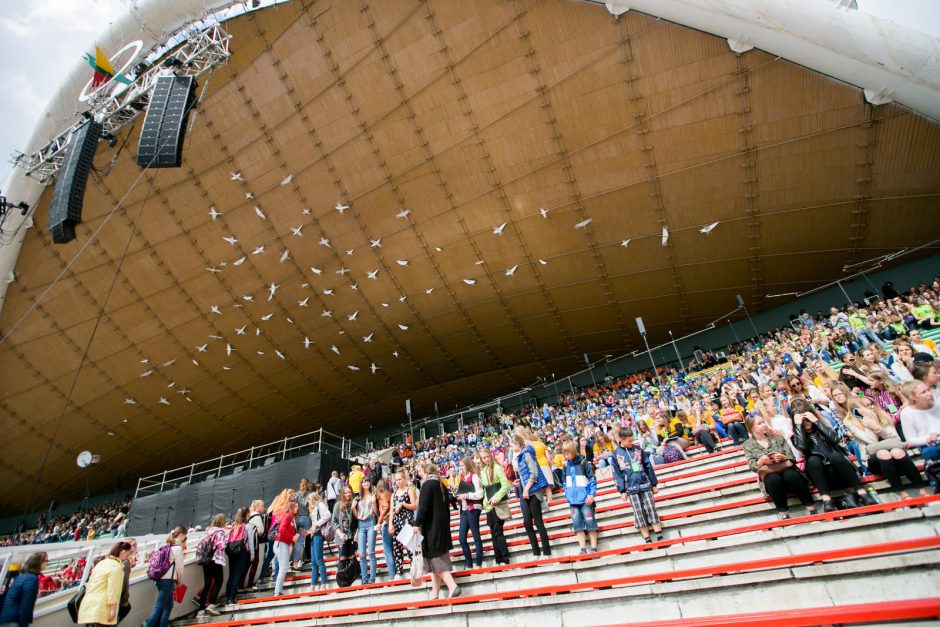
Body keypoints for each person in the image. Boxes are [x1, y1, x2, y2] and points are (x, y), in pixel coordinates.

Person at [789, 399, 877, 512]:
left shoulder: (822, 426)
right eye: (803, 421)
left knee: (834, 456)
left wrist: (817, 421)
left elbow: (835, 439)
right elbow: (802, 447)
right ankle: (827, 500)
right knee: (813, 460)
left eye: (807, 419)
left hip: (839, 471)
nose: (805, 422)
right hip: (820, 476)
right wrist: (798, 426)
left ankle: (863, 493)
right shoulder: (795, 436)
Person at [843, 395, 927, 498]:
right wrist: (868, 423)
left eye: (872, 404)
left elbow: (896, 439)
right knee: (883, 453)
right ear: (858, 410)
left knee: (897, 451)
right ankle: (902, 493)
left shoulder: (882, 415)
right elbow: (871, 440)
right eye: (867, 406)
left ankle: (921, 488)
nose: (872, 407)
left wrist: (878, 428)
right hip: (874, 460)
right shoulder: (851, 422)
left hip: (896, 455)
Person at [742, 416, 815, 519]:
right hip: (769, 474)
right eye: (759, 423)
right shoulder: (748, 445)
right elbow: (752, 466)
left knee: (791, 474)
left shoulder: (777, 438)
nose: (763, 425)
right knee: (773, 479)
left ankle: (811, 508)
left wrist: (782, 457)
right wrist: (761, 461)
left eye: (763, 422)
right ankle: (784, 514)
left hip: (786, 469)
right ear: (751, 428)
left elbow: (792, 458)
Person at [414, 460, 460, 599]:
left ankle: (452, 586)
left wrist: (416, 523)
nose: (419, 474)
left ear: (426, 472)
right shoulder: (440, 484)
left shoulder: (427, 485)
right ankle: (435, 593)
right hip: (441, 527)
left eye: (420, 472)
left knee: (435, 559)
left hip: (431, 529)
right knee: (434, 559)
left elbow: (423, 508)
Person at [611, 429, 663, 543]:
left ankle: (659, 534)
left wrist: (654, 484)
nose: (631, 443)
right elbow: (617, 474)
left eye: (632, 440)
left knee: (651, 508)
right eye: (629, 441)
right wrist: (622, 491)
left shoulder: (638, 449)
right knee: (638, 511)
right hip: (630, 486)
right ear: (621, 440)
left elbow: (648, 466)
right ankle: (647, 538)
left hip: (644, 483)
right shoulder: (616, 455)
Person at [511, 434, 552, 558]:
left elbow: (533, 473)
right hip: (526, 490)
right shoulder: (520, 456)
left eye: (512, 444)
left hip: (533, 491)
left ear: (518, 444)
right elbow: (524, 473)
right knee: (527, 522)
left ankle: (546, 552)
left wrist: (526, 489)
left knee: (538, 522)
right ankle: (536, 552)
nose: (511, 447)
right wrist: (518, 482)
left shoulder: (527, 453)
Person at [77, 542, 131, 626]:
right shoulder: (116, 567)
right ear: (123, 552)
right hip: (102, 609)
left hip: (89, 606)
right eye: (128, 554)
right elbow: (113, 591)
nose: (127, 557)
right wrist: (113, 610)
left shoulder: (101, 563)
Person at [143, 526, 185, 627]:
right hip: (168, 580)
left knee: (168, 605)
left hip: (160, 579)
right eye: (184, 535)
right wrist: (179, 580)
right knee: (159, 606)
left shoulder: (165, 546)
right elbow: (179, 566)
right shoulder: (177, 548)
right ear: (181, 535)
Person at [562, 440, 598, 553]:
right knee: (577, 524)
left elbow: (592, 479)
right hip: (573, 500)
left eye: (568, 453)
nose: (566, 456)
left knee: (590, 522)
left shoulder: (584, 463)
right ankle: (582, 547)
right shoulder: (565, 465)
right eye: (565, 454)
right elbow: (564, 483)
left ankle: (594, 547)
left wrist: (591, 495)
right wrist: (567, 494)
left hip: (585, 499)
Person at [479, 448, 511, 566]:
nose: (486, 459)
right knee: (493, 533)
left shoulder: (497, 468)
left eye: (487, 457)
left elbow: (505, 485)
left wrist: (497, 497)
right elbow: (484, 488)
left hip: (498, 504)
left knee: (498, 532)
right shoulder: (483, 471)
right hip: (488, 507)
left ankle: (505, 559)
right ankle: (498, 559)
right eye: (484, 458)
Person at [0, 552, 45, 627]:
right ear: (39, 563)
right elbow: (26, 604)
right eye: (46, 561)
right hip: (13, 620)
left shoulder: (20, 577)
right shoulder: (31, 579)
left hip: (5, 618)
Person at [455, 456, 484, 570]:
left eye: (462, 465)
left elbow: (480, 493)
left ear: (467, 465)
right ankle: (469, 564)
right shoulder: (462, 478)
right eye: (460, 466)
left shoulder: (474, 476)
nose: (460, 468)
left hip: (473, 508)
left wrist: (466, 495)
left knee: (476, 535)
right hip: (464, 509)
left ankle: (479, 563)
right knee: (462, 538)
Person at [195, 514, 227, 616]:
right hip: (215, 559)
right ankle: (211, 604)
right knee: (219, 580)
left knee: (207, 582)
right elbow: (221, 546)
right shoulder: (220, 532)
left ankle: (201, 607)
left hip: (205, 559)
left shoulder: (209, 531)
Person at [900, 381, 940, 462]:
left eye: (928, 390)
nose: (929, 393)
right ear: (913, 397)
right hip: (930, 446)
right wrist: (928, 438)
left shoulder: (938, 406)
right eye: (923, 392)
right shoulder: (907, 413)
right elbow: (911, 440)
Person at [389, 470, 418, 577]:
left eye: (400, 479)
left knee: (410, 547)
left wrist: (403, 504)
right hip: (396, 522)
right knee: (397, 548)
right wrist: (391, 524)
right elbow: (391, 510)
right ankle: (399, 571)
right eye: (396, 480)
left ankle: (414, 570)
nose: (398, 482)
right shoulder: (394, 494)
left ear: (404, 479)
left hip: (407, 520)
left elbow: (415, 506)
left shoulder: (409, 490)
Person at [225, 508, 255, 605]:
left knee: (231, 575)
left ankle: (228, 597)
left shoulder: (234, 526)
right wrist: (252, 554)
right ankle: (232, 598)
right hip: (242, 552)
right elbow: (250, 541)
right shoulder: (248, 526)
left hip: (232, 552)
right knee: (237, 575)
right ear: (247, 515)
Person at [354, 478, 378, 585]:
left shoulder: (373, 495)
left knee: (371, 552)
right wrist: (354, 510)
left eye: (367, 481)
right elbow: (355, 512)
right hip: (361, 524)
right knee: (362, 554)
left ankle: (372, 579)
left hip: (371, 521)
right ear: (361, 484)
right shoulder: (358, 498)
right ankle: (364, 580)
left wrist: (373, 503)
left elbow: (376, 512)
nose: (366, 483)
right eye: (364, 482)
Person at [273, 501, 299, 596]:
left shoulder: (291, 518)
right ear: (290, 508)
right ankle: (277, 592)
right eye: (295, 507)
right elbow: (281, 529)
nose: (297, 508)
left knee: (283, 567)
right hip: (281, 543)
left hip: (283, 544)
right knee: (283, 567)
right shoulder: (288, 516)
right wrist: (292, 538)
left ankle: (278, 591)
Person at [307, 492, 330, 591]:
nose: (308, 501)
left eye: (309, 499)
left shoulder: (320, 504)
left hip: (319, 534)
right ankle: (313, 585)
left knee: (319, 560)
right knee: (314, 562)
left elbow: (328, 515)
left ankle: (324, 583)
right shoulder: (313, 509)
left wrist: (316, 524)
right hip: (313, 535)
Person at [242, 500, 266, 593]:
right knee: (255, 563)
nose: (263, 507)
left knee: (247, 565)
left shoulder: (250, 516)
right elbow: (260, 530)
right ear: (257, 507)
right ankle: (249, 585)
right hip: (254, 542)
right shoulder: (257, 517)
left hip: (247, 543)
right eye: (262, 506)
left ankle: (241, 585)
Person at [375, 479, 396, 580]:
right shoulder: (390, 494)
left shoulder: (382, 495)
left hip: (387, 523)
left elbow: (384, 508)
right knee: (393, 549)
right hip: (393, 522)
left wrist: (379, 521)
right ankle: (396, 573)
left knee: (387, 551)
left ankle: (392, 574)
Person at [292, 479, 312, 569]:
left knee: (299, 542)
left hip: (297, 518)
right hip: (306, 518)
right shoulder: (310, 494)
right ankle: (308, 558)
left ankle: (296, 561)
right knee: (307, 540)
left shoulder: (296, 494)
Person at [117, 538, 137, 623]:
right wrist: (125, 600)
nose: (136, 547)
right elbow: (124, 582)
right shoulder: (125, 562)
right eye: (134, 545)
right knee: (126, 608)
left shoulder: (123, 560)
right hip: (116, 596)